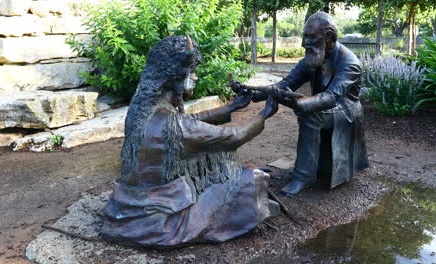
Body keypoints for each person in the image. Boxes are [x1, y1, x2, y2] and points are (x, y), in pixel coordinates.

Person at [100, 35, 279, 247]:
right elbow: (233, 137)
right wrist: (264, 115)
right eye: (192, 73)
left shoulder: (142, 113)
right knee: (251, 177)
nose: (194, 78)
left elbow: (189, 121)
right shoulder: (173, 126)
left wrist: (231, 107)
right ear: (177, 77)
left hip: (129, 204)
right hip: (161, 220)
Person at [233, 11, 369, 195]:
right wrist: (254, 94)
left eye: (311, 37)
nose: (304, 43)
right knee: (309, 112)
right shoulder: (313, 57)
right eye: (305, 37)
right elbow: (286, 83)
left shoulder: (349, 63)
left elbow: (331, 98)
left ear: (328, 36)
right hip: (325, 106)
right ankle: (306, 172)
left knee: (311, 115)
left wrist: (302, 104)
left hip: (345, 111)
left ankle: (304, 177)